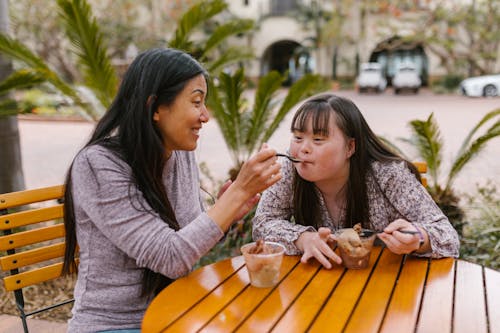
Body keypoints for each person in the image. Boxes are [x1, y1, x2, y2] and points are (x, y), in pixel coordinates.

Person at [61, 48, 282, 332]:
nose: (205, 116)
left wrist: (228, 211)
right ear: (155, 107)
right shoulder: (97, 165)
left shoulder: (178, 152)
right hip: (115, 324)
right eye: (196, 102)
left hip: (177, 309)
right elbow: (171, 258)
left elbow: (187, 241)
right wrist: (238, 191)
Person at [252, 93, 459, 269]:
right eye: (298, 137)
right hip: (317, 287)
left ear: (350, 147)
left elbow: (448, 237)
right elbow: (262, 223)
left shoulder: (389, 174)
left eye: (318, 140)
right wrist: (302, 238)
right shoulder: (291, 166)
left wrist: (419, 239)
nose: (303, 148)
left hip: (386, 287)